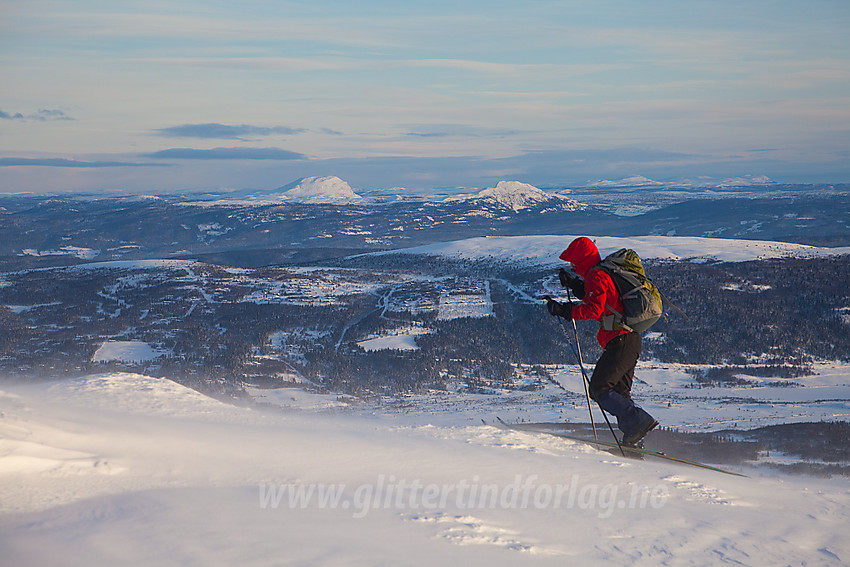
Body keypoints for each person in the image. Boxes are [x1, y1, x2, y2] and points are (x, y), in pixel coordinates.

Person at [546, 237, 658, 446]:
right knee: (619, 394)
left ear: (581, 260)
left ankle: (640, 422)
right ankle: (633, 443)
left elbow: (594, 309)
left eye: (574, 262)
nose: (572, 266)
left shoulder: (597, 275)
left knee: (599, 389)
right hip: (629, 340)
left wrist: (565, 311)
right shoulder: (600, 274)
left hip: (621, 341)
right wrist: (573, 284)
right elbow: (601, 299)